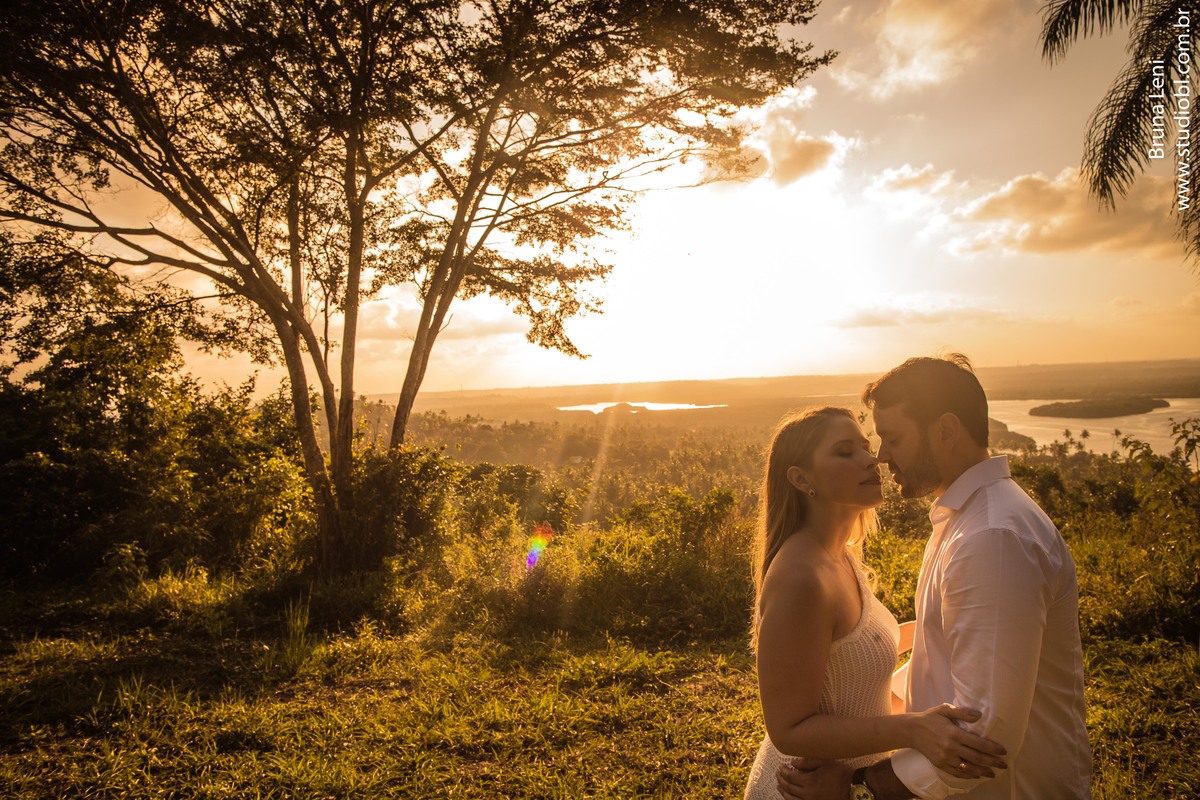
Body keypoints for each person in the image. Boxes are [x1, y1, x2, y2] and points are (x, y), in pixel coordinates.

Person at [775, 355, 1091, 800]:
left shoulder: (991, 538)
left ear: (945, 431)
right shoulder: (965, 521)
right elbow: (944, 659)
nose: (881, 457)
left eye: (894, 438)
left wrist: (861, 786)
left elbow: (983, 734)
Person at [744, 406, 1008, 800]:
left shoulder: (839, 553)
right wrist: (913, 728)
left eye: (865, 447)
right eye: (845, 451)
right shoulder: (801, 578)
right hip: (807, 789)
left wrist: (952, 624)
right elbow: (788, 728)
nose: (872, 459)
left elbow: (853, 649)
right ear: (801, 479)